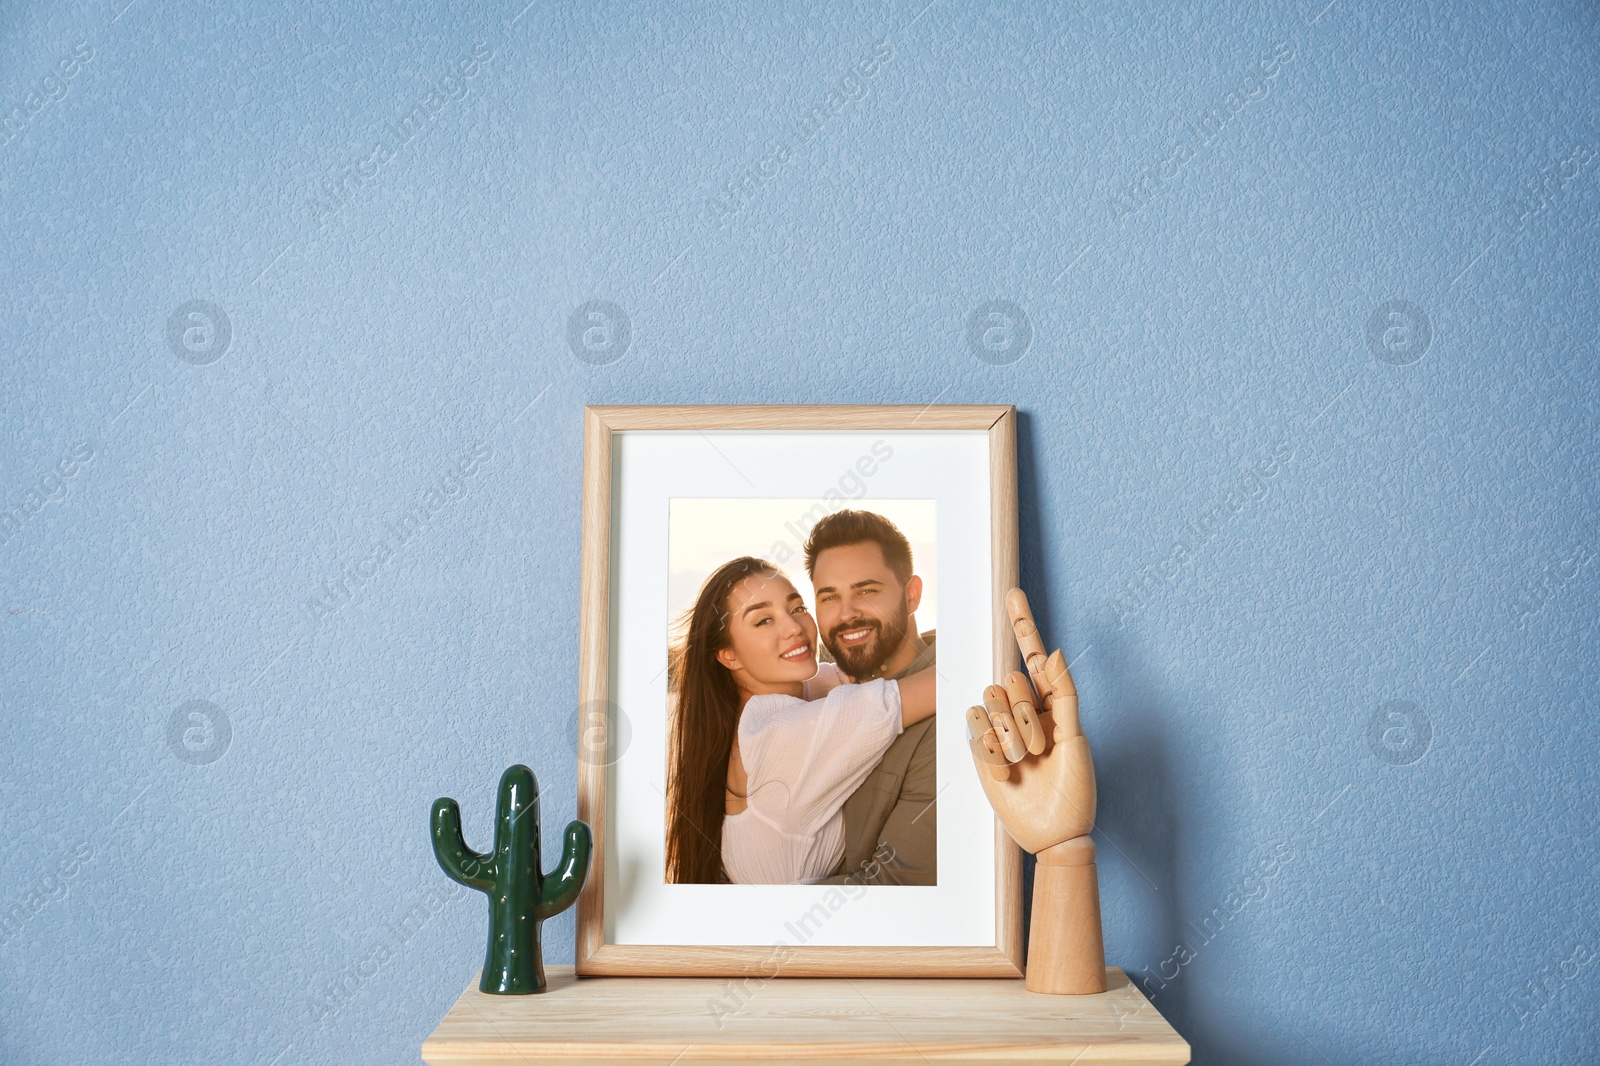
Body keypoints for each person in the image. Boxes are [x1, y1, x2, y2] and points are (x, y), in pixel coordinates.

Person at [665, 556, 937, 884]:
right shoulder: (782, 734)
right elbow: (945, 683)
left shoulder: (774, 703)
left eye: (797, 609)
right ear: (729, 655)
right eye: (763, 620)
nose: (794, 629)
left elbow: (879, 665)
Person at [803, 510, 937, 886]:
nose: (846, 614)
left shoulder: (948, 715)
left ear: (911, 594)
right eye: (829, 597)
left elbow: (894, 885)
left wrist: (746, 910)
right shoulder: (813, 698)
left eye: (866, 591)